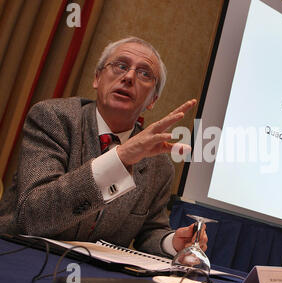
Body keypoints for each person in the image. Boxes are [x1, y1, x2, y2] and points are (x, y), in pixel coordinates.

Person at [0, 36, 206, 258]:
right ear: (97, 78)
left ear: (152, 100)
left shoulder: (159, 163)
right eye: (121, 66)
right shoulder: (54, 118)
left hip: (93, 276)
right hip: (20, 255)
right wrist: (119, 159)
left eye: (144, 73)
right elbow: (34, 214)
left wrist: (172, 242)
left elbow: (151, 230)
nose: (128, 77)